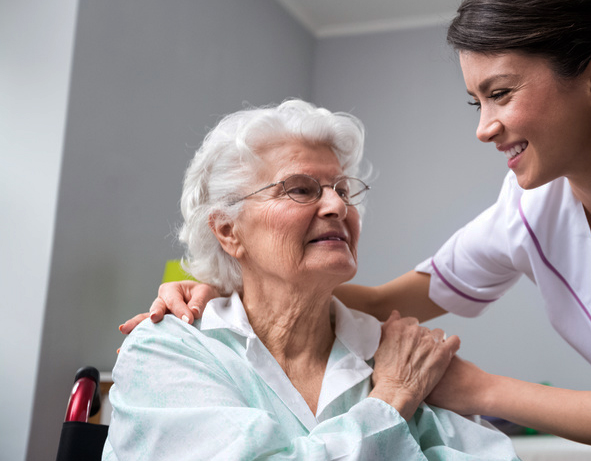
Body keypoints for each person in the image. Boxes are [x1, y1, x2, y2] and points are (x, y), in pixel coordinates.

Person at [122, 0, 591, 459]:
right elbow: (376, 302)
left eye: (499, 93)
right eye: (477, 102)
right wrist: (220, 290)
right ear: (227, 229)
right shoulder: (529, 211)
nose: (485, 127)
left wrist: (461, 387)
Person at [104, 99, 520, 460]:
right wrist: (391, 399)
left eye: (343, 189)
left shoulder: (398, 351)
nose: (337, 205)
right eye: (301, 190)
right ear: (228, 231)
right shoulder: (167, 349)